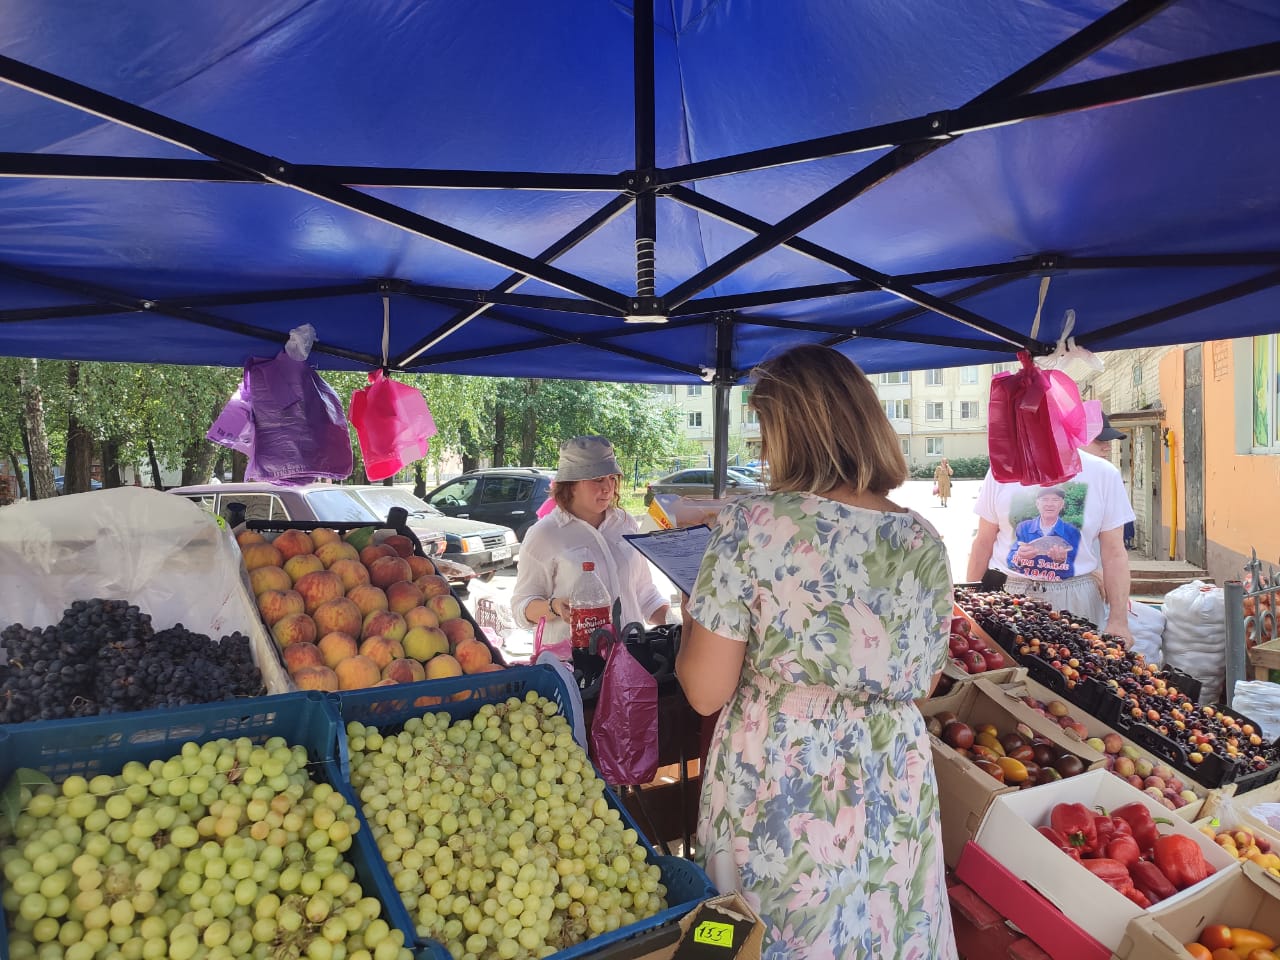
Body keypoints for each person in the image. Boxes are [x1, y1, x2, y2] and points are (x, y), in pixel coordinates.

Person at [676, 344, 957, 959]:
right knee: (883, 928)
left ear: (797, 433)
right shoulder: (923, 539)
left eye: (767, 435)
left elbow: (704, 689)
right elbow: (925, 682)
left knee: (751, 932)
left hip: (782, 770)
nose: (764, 452)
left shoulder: (752, 523)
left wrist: (689, 621)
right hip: (893, 773)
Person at [966, 411, 1135, 643]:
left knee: (1078, 670)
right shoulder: (1003, 471)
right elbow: (983, 541)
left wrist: (1118, 620)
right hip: (1007, 595)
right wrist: (967, 601)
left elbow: (1115, 552)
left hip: (1075, 597)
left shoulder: (1103, 474)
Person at [511, 436, 669, 649]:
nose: (608, 488)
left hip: (632, 659)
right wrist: (554, 607)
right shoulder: (544, 534)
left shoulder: (625, 523)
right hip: (574, 667)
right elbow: (521, 608)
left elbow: (644, 592)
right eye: (597, 479)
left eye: (612, 478)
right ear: (571, 485)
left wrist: (679, 622)